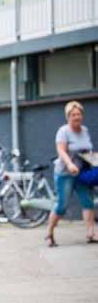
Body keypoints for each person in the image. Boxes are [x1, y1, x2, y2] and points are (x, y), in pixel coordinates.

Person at [45, 101, 96, 246]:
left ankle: (91, 234)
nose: (76, 116)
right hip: (65, 173)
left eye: (79, 114)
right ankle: (49, 233)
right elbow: (61, 150)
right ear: (68, 116)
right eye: (73, 114)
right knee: (61, 205)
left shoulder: (84, 130)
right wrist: (69, 164)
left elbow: (87, 149)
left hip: (82, 173)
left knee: (88, 202)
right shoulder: (63, 131)